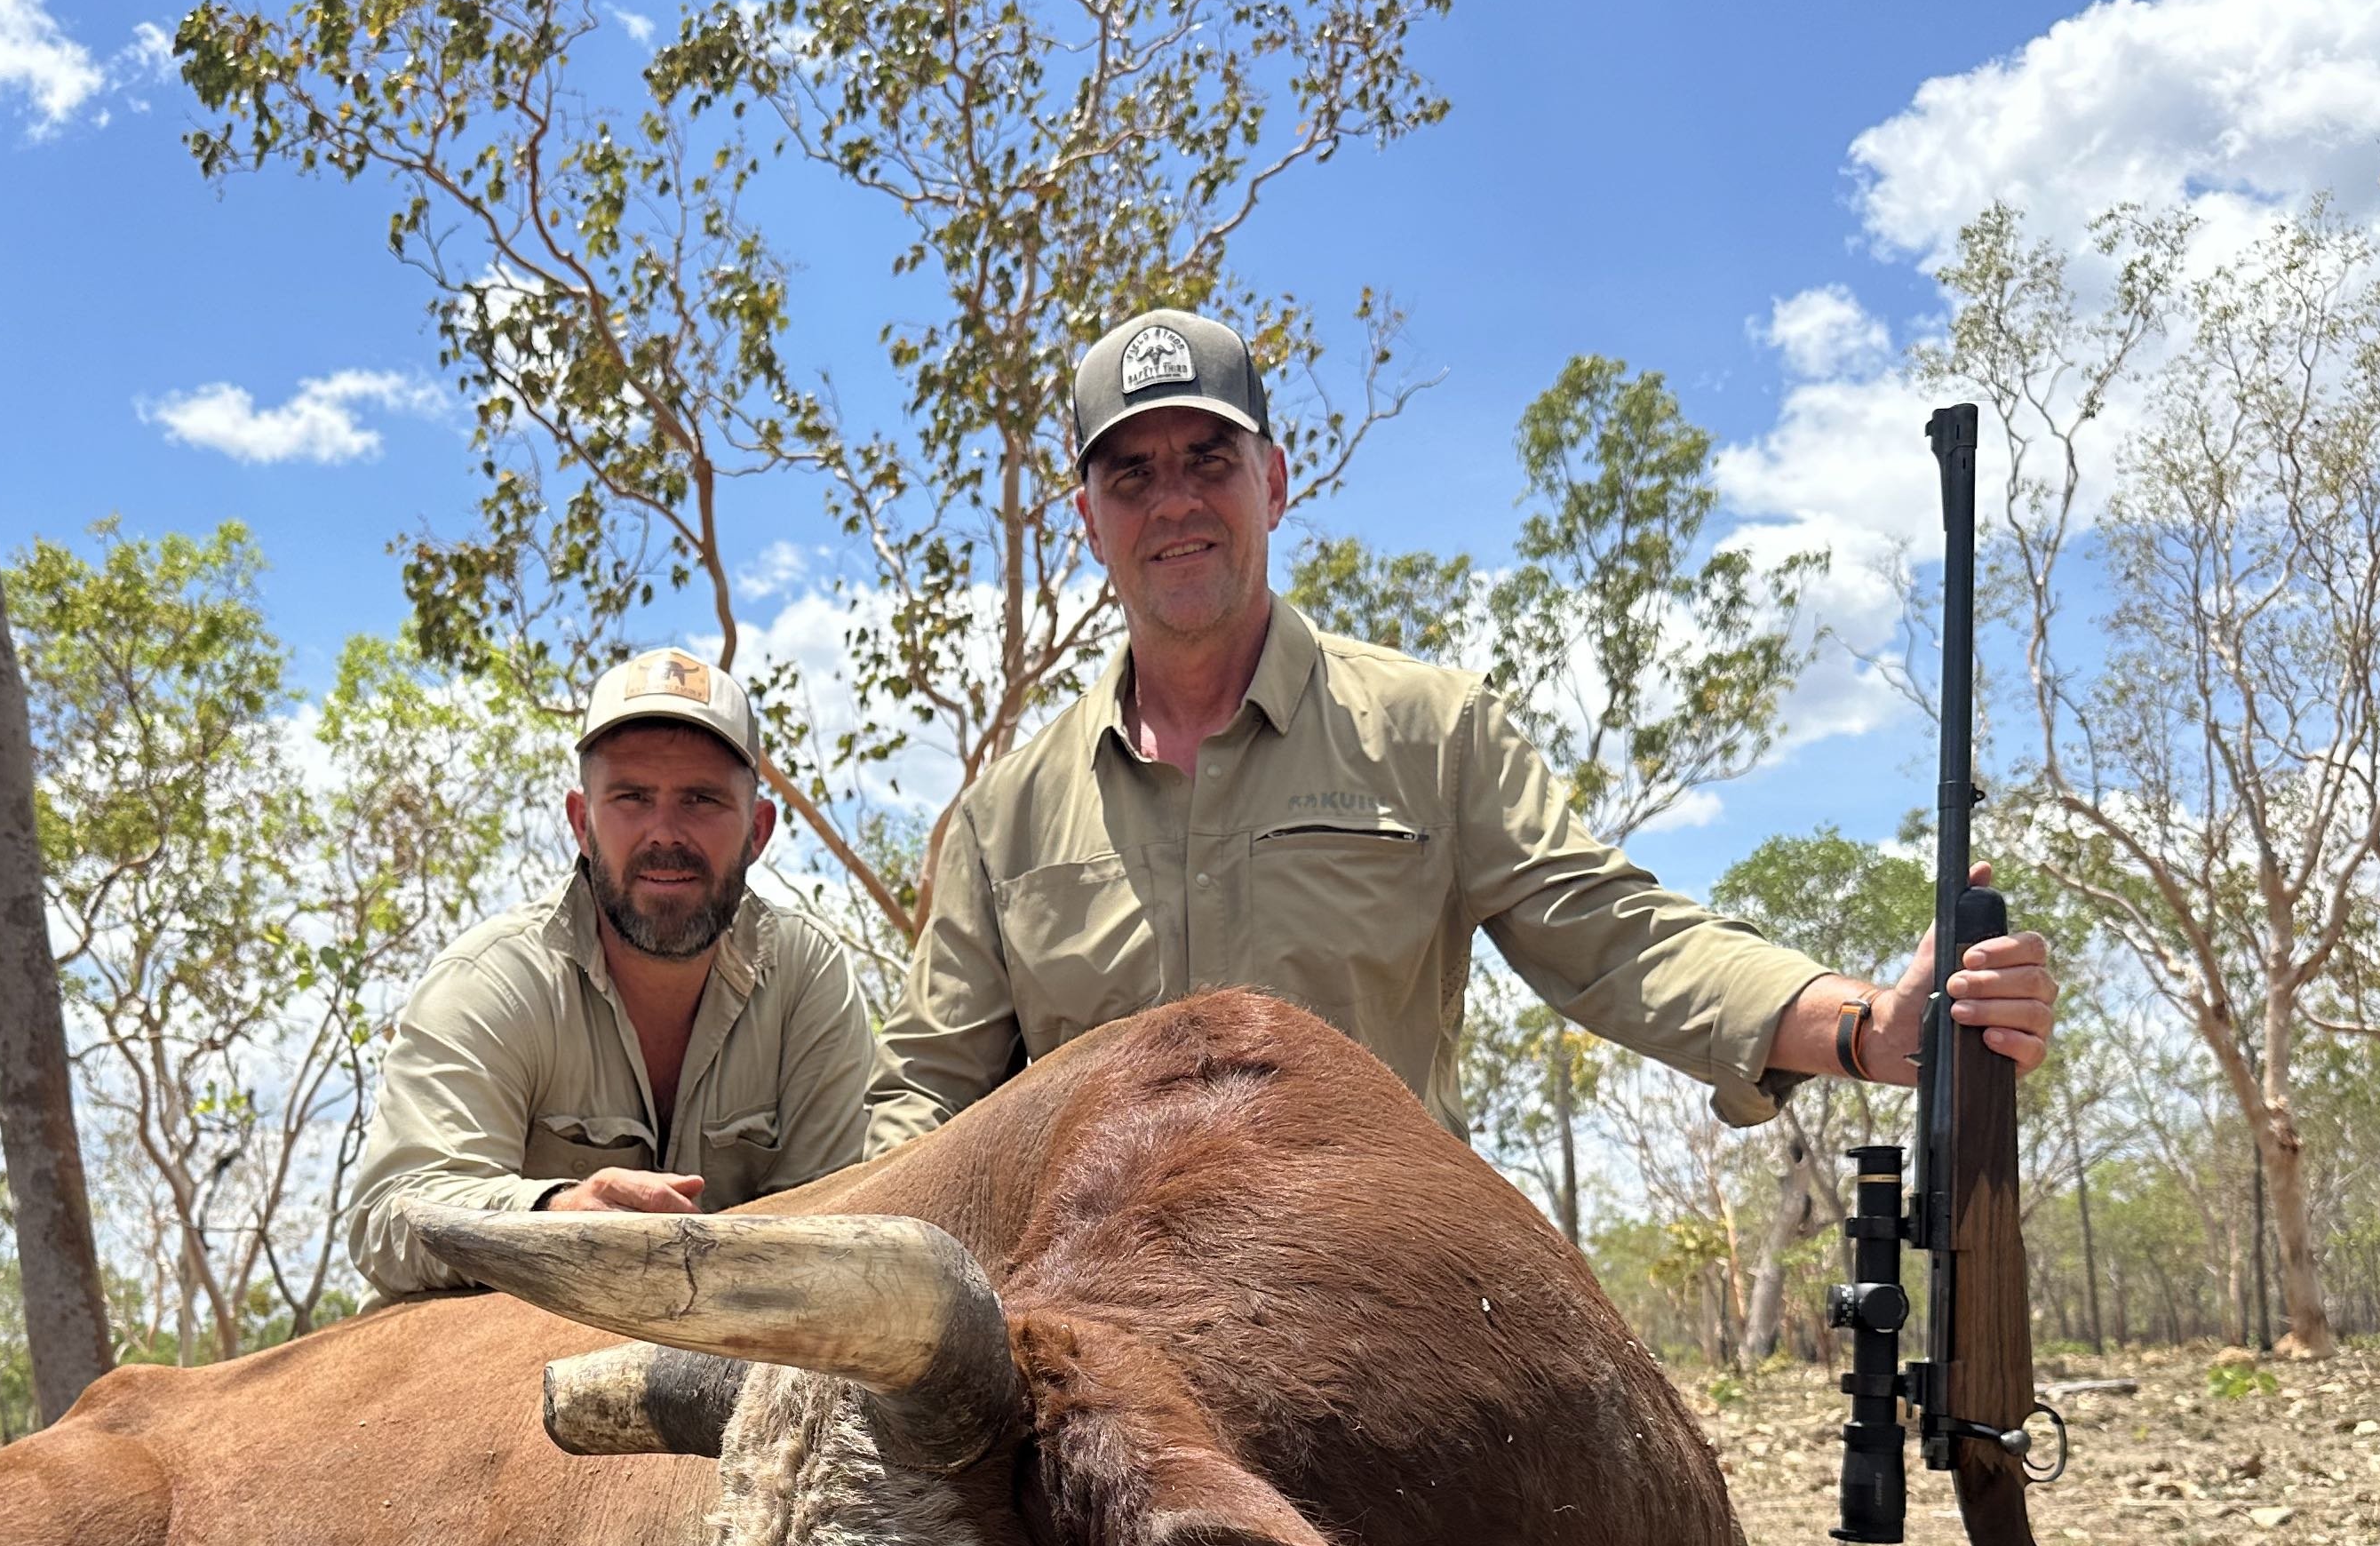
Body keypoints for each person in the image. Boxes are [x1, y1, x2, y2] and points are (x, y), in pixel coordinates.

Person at [864, 308, 2060, 1158]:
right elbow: (925, 1088)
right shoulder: (1005, 814)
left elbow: (1615, 938)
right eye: (1131, 475)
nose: (1173, 500)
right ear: (1087, 520)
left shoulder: (1432, 734)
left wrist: (1858, 1027)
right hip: (1087, 1325)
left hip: (1370, 1298)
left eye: (1207, 460)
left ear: (1274, 482)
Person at [345, 649, 874, 1302]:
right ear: (581, 824)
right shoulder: (491, 981)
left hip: (727, 1358)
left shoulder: (808, 978)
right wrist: (558, 1214)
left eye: (702, 799)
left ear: (758, 831)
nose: (665, 832)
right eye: (631, 798)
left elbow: (832, 1227)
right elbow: (389, 1216)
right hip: (481, 1363)